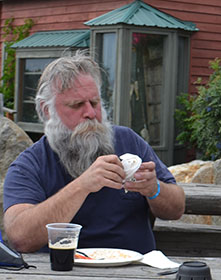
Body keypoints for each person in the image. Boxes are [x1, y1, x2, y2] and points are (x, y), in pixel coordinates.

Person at [3, 52, 185, 253]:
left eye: (95, 102)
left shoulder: (128, 141)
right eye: (77, 105)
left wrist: (154, 189)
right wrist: (82, 186)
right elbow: (20, 238)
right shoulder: (30, 164)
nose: (91, 113)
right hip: (64, 273)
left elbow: (177, 208)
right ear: (47, 110)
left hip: (137, 270)